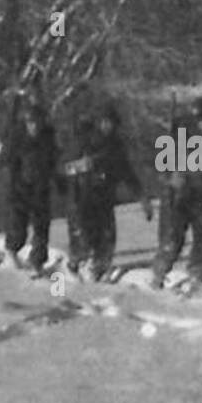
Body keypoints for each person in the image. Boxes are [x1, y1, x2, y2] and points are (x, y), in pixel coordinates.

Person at [61, 100, 153, 280]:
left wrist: (142, 198)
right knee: (83, 241)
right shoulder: (84, 142)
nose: (107, 126)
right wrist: (83, 166)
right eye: (104, 121)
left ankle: (98, 271)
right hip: (82, 199)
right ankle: (71, 268)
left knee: (107, 241)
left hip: (105, 200)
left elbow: (127, 173)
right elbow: (63, 168)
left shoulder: (116, 147)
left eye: (110, 122)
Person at [151, 96, 202, 290]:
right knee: (173, 239)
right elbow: (160, 170)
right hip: (178, 196)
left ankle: (199, 273)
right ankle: (159, 273)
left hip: (201, 195)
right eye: (200, 119)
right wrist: (172, 178)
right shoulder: (176, 138)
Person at [0, 97, 57, 274]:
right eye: (31, 123)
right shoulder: (17, 138)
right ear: (26, 123)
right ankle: (11, 253)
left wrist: (59, 180)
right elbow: (2, 161)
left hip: (41, 189)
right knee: (18, 228)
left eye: (38, 122)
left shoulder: (48, 138)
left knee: (42, 228)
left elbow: (54, 160)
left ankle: (37, 262)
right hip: (19, 189)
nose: (34, 126)